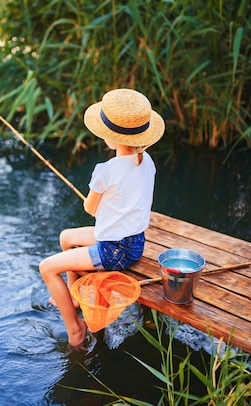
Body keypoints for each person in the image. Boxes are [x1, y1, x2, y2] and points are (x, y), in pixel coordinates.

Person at [39, 88, 165, 348]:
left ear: (109, 137)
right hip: (135, 243)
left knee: (47, 268)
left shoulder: (104, 171)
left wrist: (103, 203)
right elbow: (147, 202)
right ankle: (74, 298)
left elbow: (90, 208)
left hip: (112, 251)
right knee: (66, 238)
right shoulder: (148, 161)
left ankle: (75, 328)